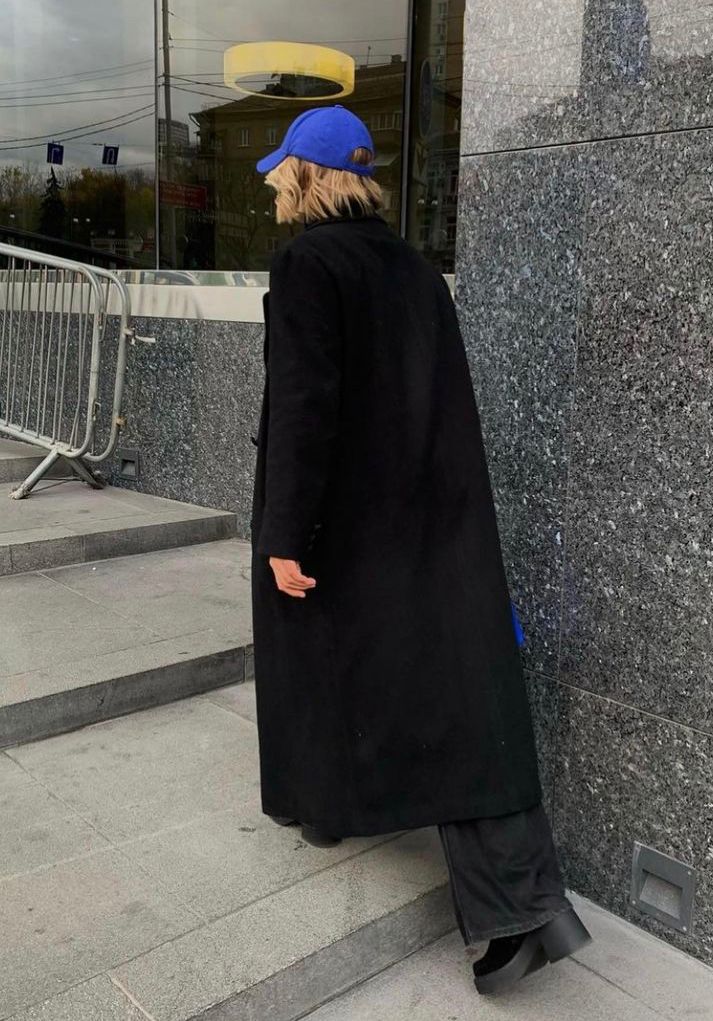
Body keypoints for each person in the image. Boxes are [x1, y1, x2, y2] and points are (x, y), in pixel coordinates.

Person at [249, 104, 591, 995]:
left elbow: (306, 412)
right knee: (452, 692)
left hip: (345, 521)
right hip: (426, 517)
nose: (276, 189)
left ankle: (338, 812)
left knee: (333, 659)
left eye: (283, 174)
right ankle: (517, 902)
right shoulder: (413, 269)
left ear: (309, 177)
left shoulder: (308, 265)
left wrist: (283, 532)